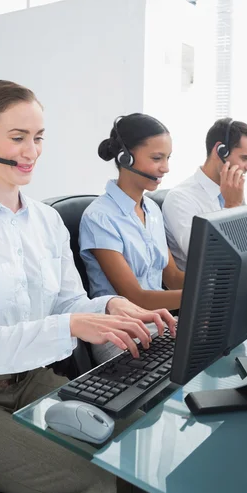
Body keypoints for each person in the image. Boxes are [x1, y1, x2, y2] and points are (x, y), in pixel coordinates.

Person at [0, 80, 176, 493]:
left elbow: (67, 302)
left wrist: (110, 305)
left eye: (38, 138)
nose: (32, 152)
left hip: (31, 379)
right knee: (92, 480)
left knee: (138, 445)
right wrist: (73, 324)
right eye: (17, 138)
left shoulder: (46, 221)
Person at [79, 113, 183, 364]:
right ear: (125, 158)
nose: (166, 168)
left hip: (161, 323)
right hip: (120, 333)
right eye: (157, 158)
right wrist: (204, 295)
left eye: (168, 158)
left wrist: (221, 284)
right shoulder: (99, 217)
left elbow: (172, 277)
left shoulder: (153, 211)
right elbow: (136, 298)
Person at [163, 117, 247, 271]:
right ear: (220, 150)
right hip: (208, 290)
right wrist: (232, 207)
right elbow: (210, 260)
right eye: (245, 158)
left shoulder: (232, 191)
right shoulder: (180, 199)